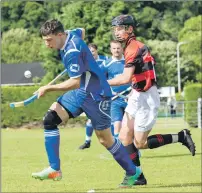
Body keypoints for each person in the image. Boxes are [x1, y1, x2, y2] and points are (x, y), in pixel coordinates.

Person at [31, 19, 142, 188]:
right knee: (49, 120)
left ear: (60, 35)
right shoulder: (71, 34)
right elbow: (81, 30)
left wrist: (48, 87)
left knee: (106, 140)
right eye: (45, 40)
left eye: (49, 40)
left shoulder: (71, 51)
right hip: (81, 92)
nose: (47, 45)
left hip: (96, 94)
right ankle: (55, 169)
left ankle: (133, 172)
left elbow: (74, 81)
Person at [108, 14, 196, 185]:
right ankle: (137, 176)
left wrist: (102, 83)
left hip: (147, 98)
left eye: (119, 28)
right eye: (115, 29)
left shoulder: (133, 48)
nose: (116, 32)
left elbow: (126, 78)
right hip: (137, 94)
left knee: (139, 143)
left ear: (130, 29)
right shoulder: (129, 47)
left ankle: (181, 136)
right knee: (125, 137)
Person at [79, 43, 110, 150]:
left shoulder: (105, 60)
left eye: (92, 51)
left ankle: (116, 142)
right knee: (91, 120)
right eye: (89, 51)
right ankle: (87, 141)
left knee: (110, 119)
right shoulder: (85, 63)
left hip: (104, 95)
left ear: (96, 51)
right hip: (92, 95)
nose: (91, 53)